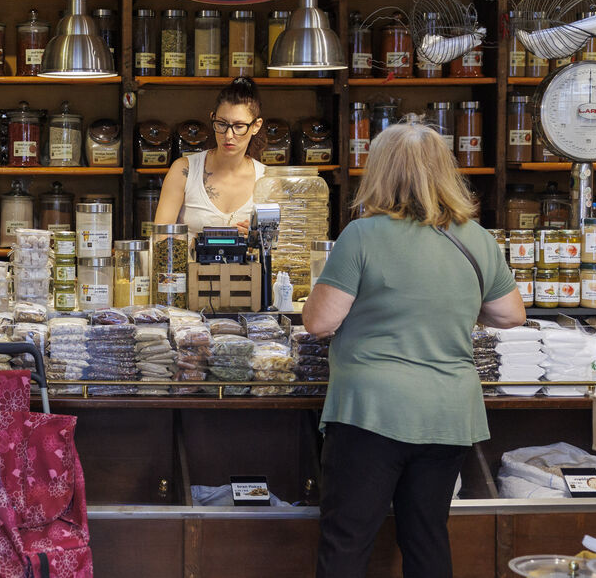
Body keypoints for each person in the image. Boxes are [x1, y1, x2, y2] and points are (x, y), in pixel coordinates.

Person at [302, 123, 525, 578]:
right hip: (447, 413)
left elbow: (319, 322)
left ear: (379, 173)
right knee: (426, 539)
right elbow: (510, 315)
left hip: (370, 412)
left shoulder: (362, 235)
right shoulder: (477, 239)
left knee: (347, 541)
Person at [153, 77, 268, 236]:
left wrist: (258, 239)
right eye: (221, 124)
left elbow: (279, 244)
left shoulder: (267, 179)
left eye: (239, 126)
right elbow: (160, 238)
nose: (228, 135)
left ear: (256, 126)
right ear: (213, 118)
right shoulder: (184, 170)